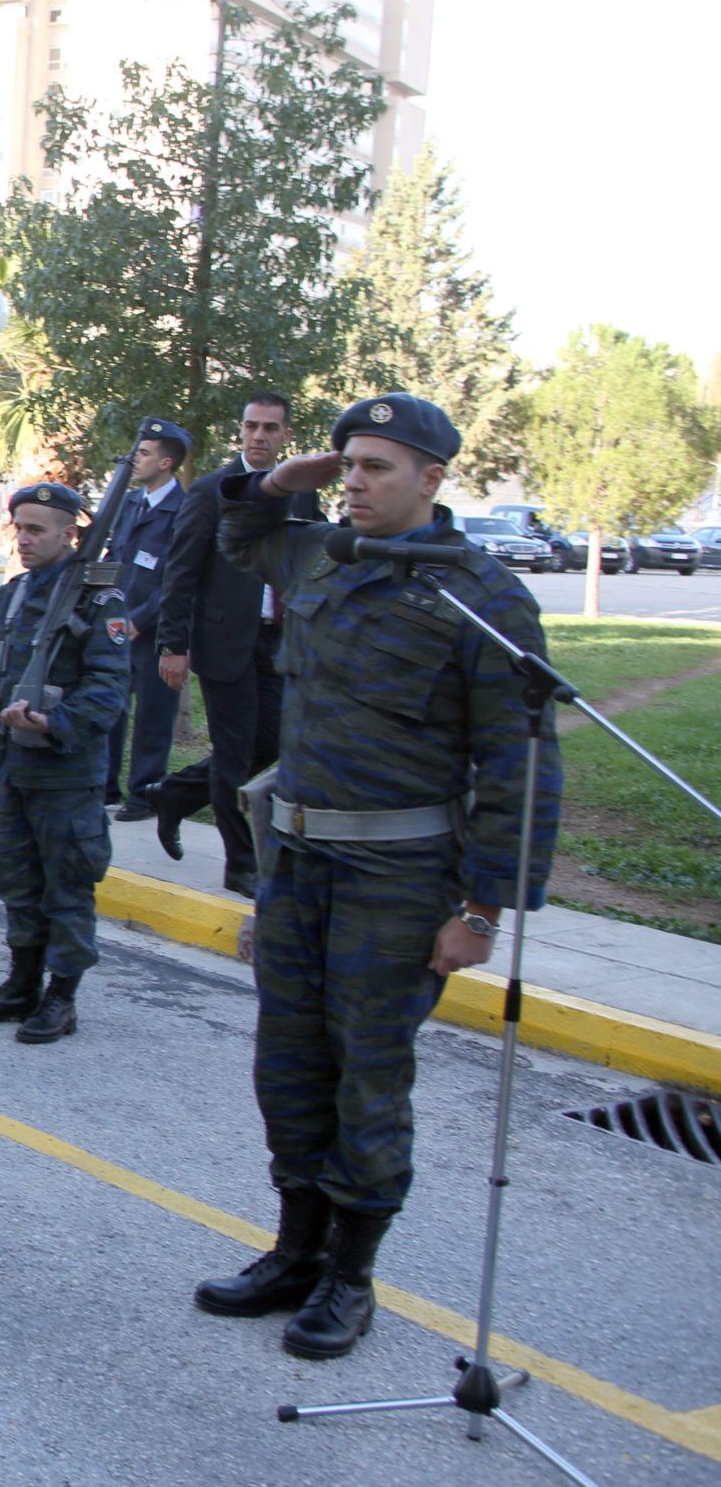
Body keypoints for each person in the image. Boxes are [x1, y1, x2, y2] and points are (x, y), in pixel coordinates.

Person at [192, 394, 555, 1361]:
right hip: (299, 861)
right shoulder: (322, 556)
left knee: (370, 1079)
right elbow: (236, 532)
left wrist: (482, 907)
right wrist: (279, 480)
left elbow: (518, 763)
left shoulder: (481, 594)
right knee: (288, 1065)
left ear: (434, 479)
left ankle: (351, 1277)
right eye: (348, 463)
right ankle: (293, 1250)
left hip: (398, 874)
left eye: (377, 467)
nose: (353, 479)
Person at [0, 482, 132, 1044]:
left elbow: (110, 688)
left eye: (37, 530)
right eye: (19, 528)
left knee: (67, 884)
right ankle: (21, 982)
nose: (24, 540)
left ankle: (62, 995)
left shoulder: (100, 602)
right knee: (19, 881)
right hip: (18, 767)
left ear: (68, 535)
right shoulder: (13, 594)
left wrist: (55, 722)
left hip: (68, 770)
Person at [148, 393, 318, 896]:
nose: (259, 436)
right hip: (225, 641)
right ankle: (241, 863)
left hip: (279, 641)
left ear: (286, 435)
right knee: (236, 750)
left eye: (270, 428)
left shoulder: (303, 492)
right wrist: (172, 645)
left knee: (269, 741)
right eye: (251, 427)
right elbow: (180, 571)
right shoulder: (211, 491)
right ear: (240, 432)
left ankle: (176, 794)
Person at [103, 421, 191, 819]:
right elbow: (114, 558)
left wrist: (140, 619)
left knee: (154, 716)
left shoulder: (184, 510)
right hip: (116, 625)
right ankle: (104, 786)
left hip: (158, 632)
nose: (135, 459)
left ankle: (143, 795)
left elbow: (178, 576)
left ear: (167, 462)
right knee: (109, 706)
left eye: (144, 452)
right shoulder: (131, 503)